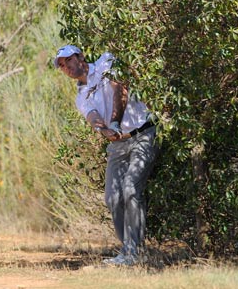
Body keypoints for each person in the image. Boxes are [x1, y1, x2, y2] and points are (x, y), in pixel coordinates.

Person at [54, 45, 159, 266]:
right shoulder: (81, 97)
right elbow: (93, 117)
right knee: (113, 198)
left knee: (131, 188)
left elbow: (119, 90)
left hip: (142, 133)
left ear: (81, 56)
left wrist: (114, 122)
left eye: (69, 60)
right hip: (117, 144)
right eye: (62, 66)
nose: (67, 67)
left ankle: (135, 252)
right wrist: (103, 130)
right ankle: (128, 251)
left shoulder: (105, 62)